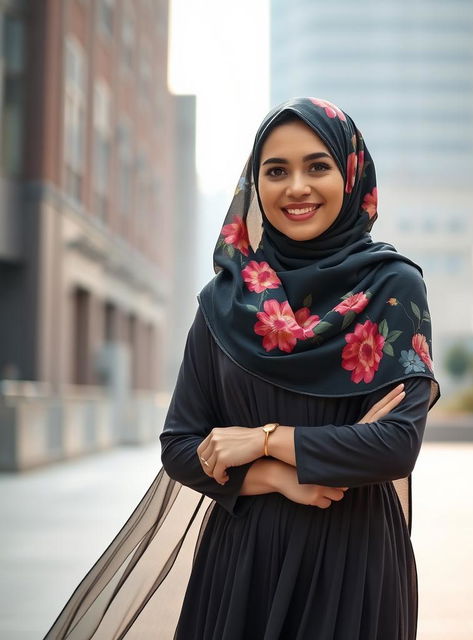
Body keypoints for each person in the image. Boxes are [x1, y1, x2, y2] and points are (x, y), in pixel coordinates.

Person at [45, 97, 440, 640]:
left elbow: (395, 446)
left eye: (317, 166)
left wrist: (262, 440)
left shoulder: (392, 289)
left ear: (351, 176)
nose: (296, 187)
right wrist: (276, 477)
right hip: (241, 563)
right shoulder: (225, 302)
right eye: (276, 171)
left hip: (352, 564)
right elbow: (181, 444)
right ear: (255, 186)